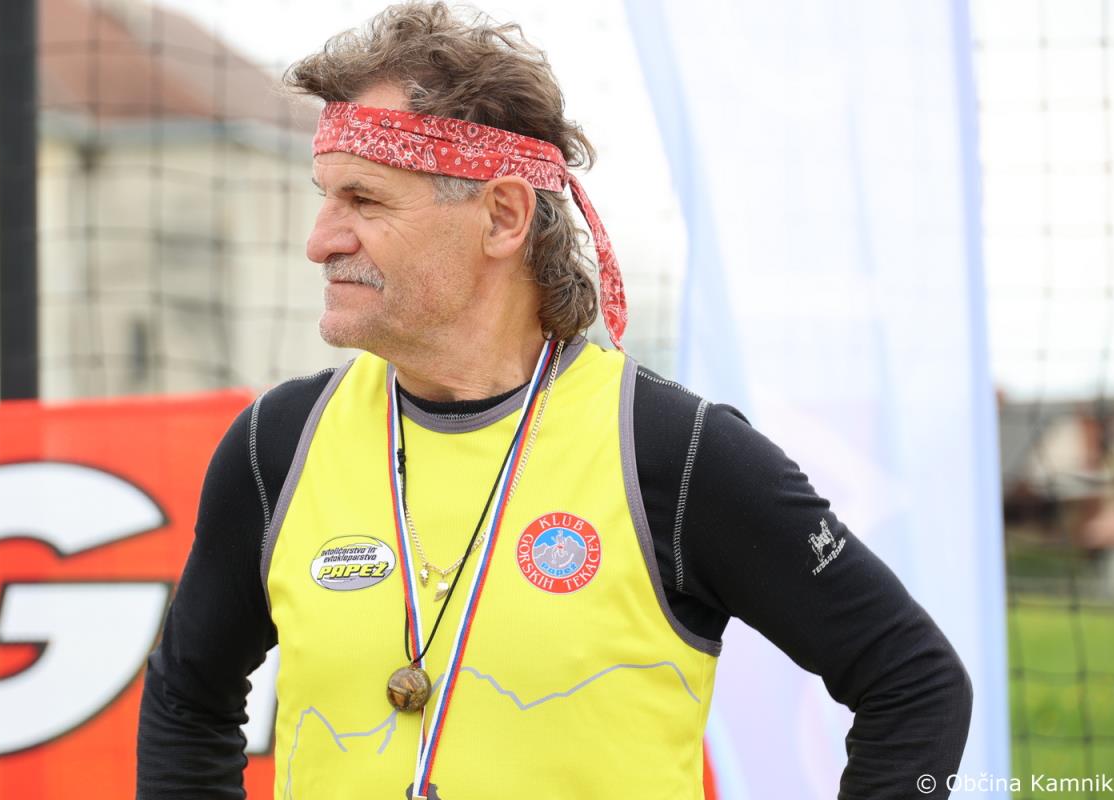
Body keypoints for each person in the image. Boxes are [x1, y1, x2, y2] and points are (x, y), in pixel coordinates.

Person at [137, 3, 973, 798]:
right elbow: (186, 699)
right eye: (325, 195)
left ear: (503, 216)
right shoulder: (277, 444)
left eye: (364, 199)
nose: (321, 239)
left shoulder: (673, 451)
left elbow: (914, 682)